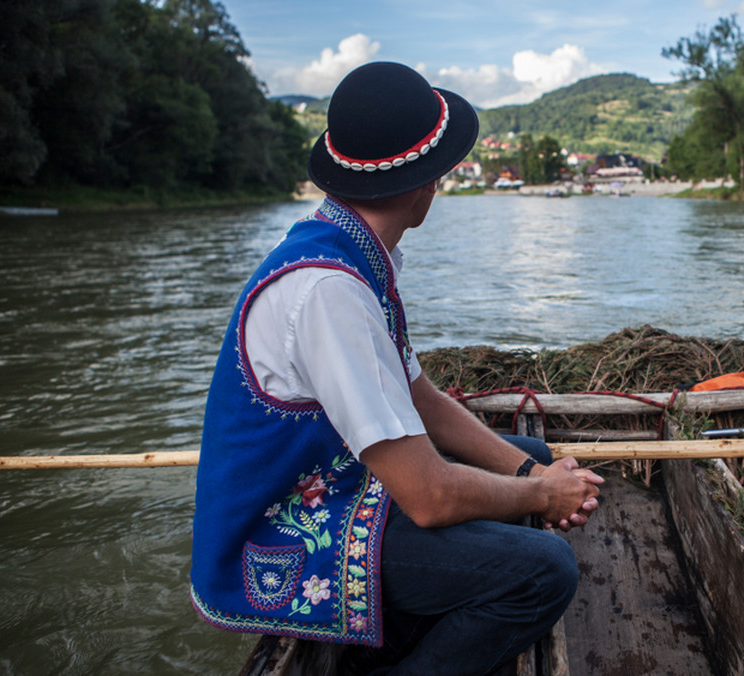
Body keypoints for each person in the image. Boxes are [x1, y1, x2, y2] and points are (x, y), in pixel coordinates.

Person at [190, 61, 603, 675]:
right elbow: (430, 498)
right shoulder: (330, 291)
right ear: (425, 182)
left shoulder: (354, 251)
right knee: (547, 573)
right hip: (287, 527)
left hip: (332, 482)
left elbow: (424, 399)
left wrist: (528, 471)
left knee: (528, 457)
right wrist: (541, 494)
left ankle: (412, 624)